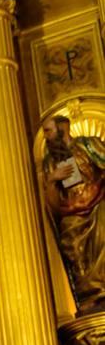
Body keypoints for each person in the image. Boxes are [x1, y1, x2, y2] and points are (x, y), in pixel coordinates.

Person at [40, 114, 105, 314]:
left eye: (49, 130)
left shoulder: (89, 145)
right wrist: (52, 179)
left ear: (63, 128)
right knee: (70, 233)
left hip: (99, 202)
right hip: (72, 212)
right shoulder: (51, 161)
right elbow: (53, 206)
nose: (46, 136)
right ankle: (90, 295)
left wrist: (95, 188)